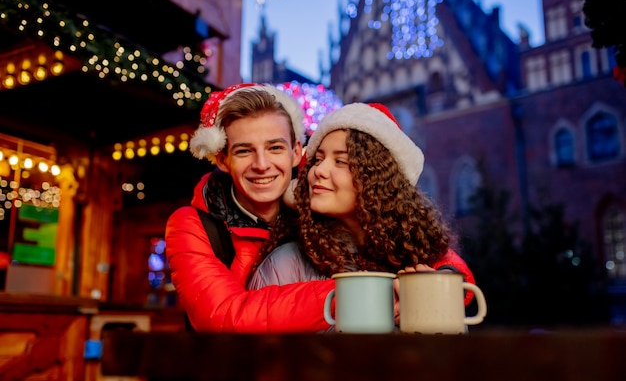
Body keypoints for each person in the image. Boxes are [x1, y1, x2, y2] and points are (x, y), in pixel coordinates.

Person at [247, 102, 476, 322]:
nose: (319, 170)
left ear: (376, 181)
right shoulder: (288, 263)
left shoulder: (415, 258)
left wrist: (436, 300)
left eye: (340, 161)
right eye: (317, 159)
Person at [165, 83, 335, 333]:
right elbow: (223, 318)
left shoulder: (323, 213)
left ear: (296, 152)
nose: (262, 164)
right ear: (223, 159)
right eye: (244, 151)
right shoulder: (190, 226)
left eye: (275, 147)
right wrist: (347, 298)